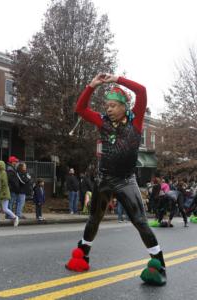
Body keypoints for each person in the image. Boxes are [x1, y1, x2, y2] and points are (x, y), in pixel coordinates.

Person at [65, 73, 167, 286]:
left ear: (123, 107)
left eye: (112, 105)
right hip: (104, 179)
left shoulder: (135, 121)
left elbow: (141, 91)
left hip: (125, 180)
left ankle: (159, 264)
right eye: (107, 105)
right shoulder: (103, 122)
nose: (108, 109)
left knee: (139, 221)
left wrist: (116, 79)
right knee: (94, 219)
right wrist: (91, 85)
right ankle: (82, 256)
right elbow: (81, 109)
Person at [0, 161, 19, 227]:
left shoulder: (3, 173)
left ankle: (15, 217)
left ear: (1, 166)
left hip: (3, 193)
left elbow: (4, 183)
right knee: (0, 208)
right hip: (0, 193)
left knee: (5, 209)